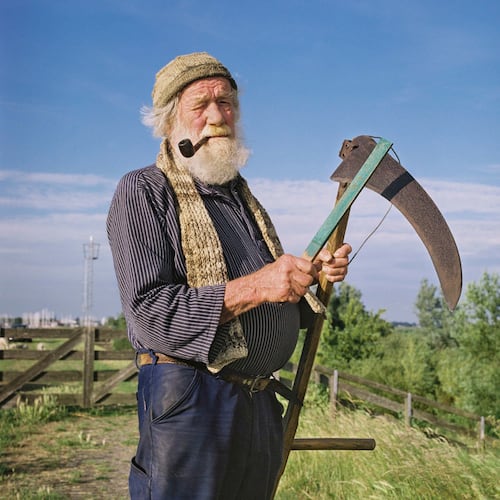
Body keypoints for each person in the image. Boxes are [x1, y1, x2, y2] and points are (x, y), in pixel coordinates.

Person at [107, 52, 351, 500]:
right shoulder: (144, 192)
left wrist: (309, 279)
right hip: (193, 400)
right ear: (168, 122)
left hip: (258, 404)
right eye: (201, 105)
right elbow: (150, 316)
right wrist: (261, 284)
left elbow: (270, 300)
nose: (218, 116)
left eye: (227, 103)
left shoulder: (244, 202)